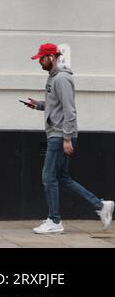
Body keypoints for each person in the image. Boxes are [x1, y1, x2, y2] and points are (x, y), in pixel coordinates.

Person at [22, 42, 114, 235]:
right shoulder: (53, 78)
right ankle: (101, 205)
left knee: (48, 177)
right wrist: (39, 105)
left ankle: (55, 221)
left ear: (52, 57)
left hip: (59, 135)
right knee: (62, 178)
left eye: (42, 58)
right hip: (57, 133)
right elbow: (55, 105)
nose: (39, 62)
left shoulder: (62, 79)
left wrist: (67, 138)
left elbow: (69, 109)